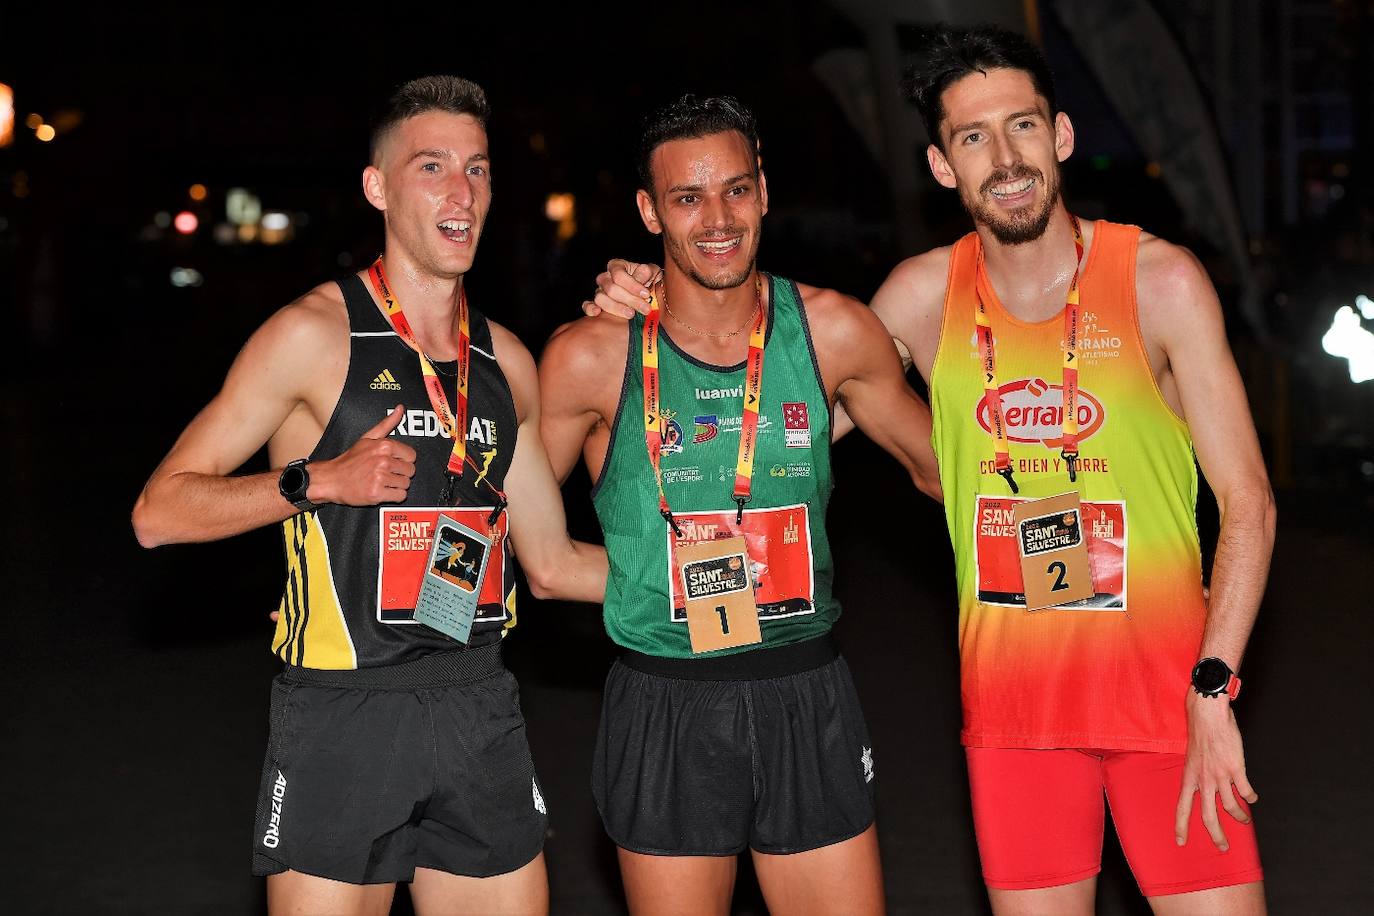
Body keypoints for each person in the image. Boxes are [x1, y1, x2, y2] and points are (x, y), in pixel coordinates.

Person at [589, 24, 1275, 916]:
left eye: (1023, 126)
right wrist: (658, 313)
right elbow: (775, 415)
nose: (1007, 158)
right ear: (942, 165)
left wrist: (1216, 689)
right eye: (973, 137)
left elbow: (1249, 505)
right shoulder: (917, 296)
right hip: (1014, 725)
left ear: (1061, 136)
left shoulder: (1161, 281)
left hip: (1169, 711)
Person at [133, 75, 606, 916]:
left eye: (478, 169)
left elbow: (555, 561)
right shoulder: (312, 335)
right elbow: (159, 512)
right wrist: (317, 482)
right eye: (433, 167)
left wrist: (706, 571)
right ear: (378, 188)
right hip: (342, 715)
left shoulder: (509, 365)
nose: (462, 191)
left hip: (477, 706)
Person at [539, 94, 942, 916]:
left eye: (735, 189)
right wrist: (659, 581)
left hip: (806, 690)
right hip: (665, 701)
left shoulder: (832, 331)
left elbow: (948, 472)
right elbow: (516, 541)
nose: (717, 219)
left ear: (764, 190)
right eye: (687, 198)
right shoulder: (588, 356)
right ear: (650, 212)